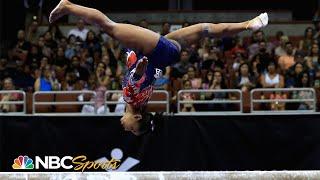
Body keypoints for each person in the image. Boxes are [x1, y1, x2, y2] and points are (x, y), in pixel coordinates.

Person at [49, 0, 268, 135]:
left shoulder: (140, 101)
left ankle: (249, 24)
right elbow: (137, 78)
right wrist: (140, 66)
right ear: (136, 118)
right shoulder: (133, 99)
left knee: (205, 29)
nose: (125, 127)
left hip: (166, 56)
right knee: (109, 26)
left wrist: (139, 65)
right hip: (156, 52)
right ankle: (68, 6)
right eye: (131, 129)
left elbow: (142, 78)